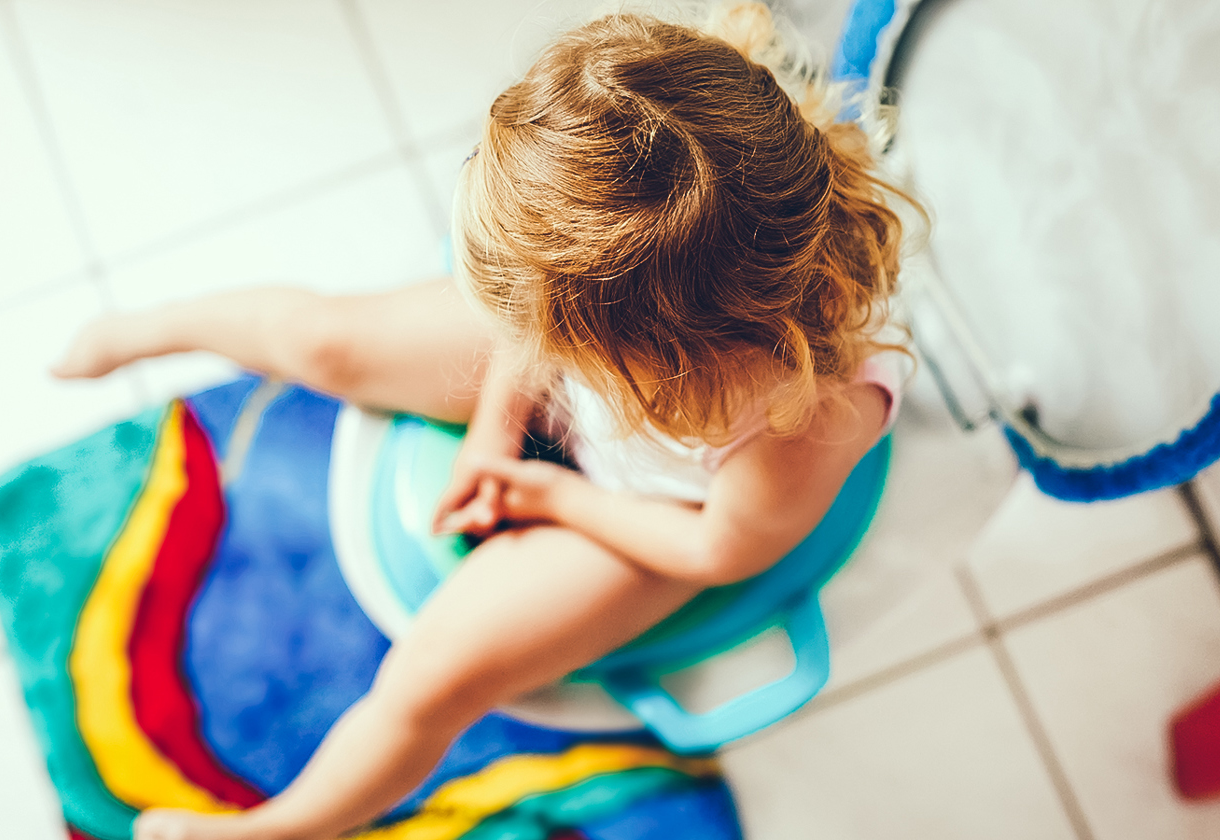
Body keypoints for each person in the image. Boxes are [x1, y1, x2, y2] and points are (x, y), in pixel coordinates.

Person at [53, 4, 917, 838]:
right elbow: (531, 330)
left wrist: (551, 498)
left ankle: (281, 829)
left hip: (663, 510)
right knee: (328, 340)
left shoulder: (805, 414)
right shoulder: (670, 180)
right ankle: (148, 328)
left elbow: (719, 551)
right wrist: (493, 431)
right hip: (615, 332)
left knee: (432, 679)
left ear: (632, 358)